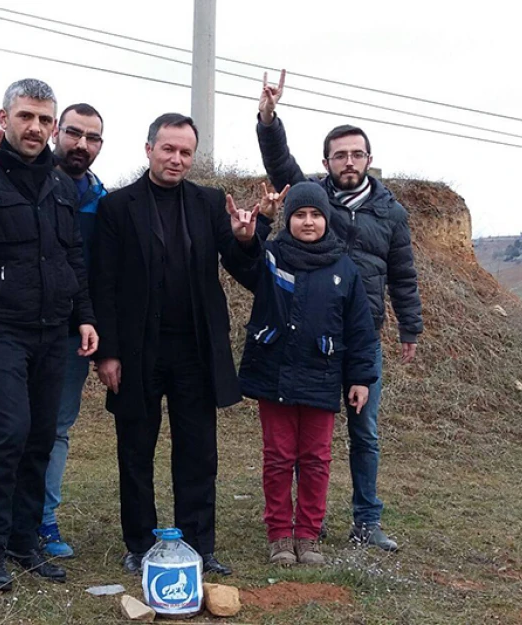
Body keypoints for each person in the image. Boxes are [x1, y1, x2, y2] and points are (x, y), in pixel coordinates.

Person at [256, 70, 423, 551]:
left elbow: (403, 273)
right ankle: (309, 522)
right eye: (339, 155)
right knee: (312, 442)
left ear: (370, 159)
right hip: (312, 340)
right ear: (325, 161)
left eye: (356, 154)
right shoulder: (313, 198)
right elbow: (277, 159)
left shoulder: (391, 212)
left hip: (363, 335)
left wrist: (409, 327)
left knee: (364, 434)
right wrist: (268, 117)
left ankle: (366, 522)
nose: (348, 162)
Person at [0, 78, 98, 591]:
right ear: (5, 118)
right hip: (0, 329)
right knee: (9, 432)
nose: (35, 127)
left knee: (38, 439)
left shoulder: (60, 184)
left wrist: (86, 317)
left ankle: (24, 541)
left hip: (54, 332)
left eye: (44, 119)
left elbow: (72, 256)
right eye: (26, 116)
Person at [90, 113, 261, 577]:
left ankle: (200, 545)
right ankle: (139, 542)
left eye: (186, 152)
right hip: (136, 351)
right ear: (149, 149)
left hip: (195, 351)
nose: (176, 159)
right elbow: (102, 283)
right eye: (168, 149)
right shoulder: (117, 207)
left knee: (199, 451)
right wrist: (107, 352)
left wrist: (247, 239)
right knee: (135, 450)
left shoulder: (208, 204)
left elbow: (245, 267)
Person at [233, 182, 379, 565]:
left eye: (315, 214)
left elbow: (360, 328)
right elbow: (244, 261)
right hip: (274, 374)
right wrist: (260, 222)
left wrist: (360, 378)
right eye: (300, 214)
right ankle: (280, 535)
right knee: (279, 458)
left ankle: (309, 535)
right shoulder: (271, 256)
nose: (308, 221)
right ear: (289, 218)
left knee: (316, 460)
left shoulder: (343, 267)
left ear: (326, 219)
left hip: (323, 375)